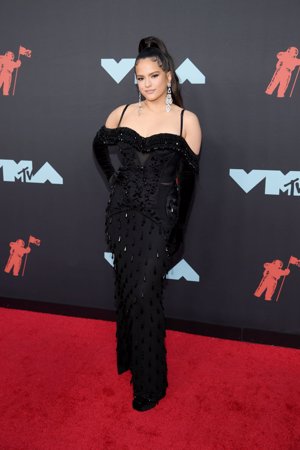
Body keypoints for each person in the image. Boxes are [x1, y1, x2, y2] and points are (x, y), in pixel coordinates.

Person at [93, 36, 202, 412]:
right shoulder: (121, 114)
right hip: (121, 218)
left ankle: (150, 382)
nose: (147, 84)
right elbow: (97, 148)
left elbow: (187, 186)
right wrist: (114, 181)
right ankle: (130, 357)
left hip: (158, 220)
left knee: (145, 295)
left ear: (169, 76)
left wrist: (178, 231)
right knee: (126, 287)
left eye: (154, 75)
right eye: (140, 78)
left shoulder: (187, 121)